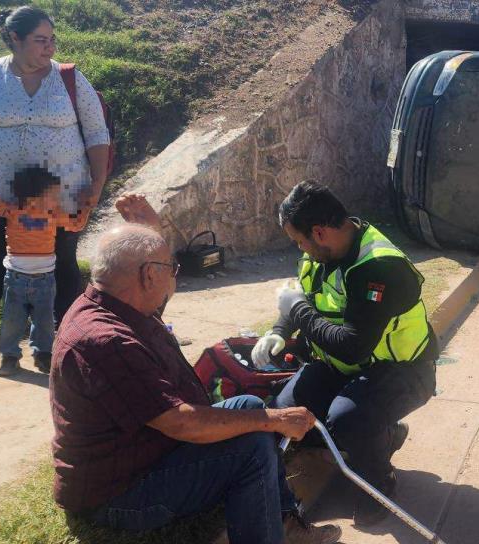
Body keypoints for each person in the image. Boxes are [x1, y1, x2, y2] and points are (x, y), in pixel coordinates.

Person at [48, 195, 340, 544]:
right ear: (147, 275)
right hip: (120, 495)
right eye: (171, 269)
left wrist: (153, 235)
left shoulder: (117, 303)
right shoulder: (106, 340)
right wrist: (274, 420)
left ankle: (284, 527)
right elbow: (181, 422)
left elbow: (155, 293)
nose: (174, 278)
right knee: (252, 447)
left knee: (247, 407)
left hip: (143, 454)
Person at [258, 181, 438, 526]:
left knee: (348, 421)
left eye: (300, 241)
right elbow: (305, 299)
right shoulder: (321, 256)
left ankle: (378, 481)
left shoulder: (379, 268)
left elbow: (353, 346)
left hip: (402, 370)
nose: (301, 250)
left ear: (320, 232)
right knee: (288, 413)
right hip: (344, 365)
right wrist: (279, 330)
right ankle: (381, 435)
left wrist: (297, 312)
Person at [0, 5, 110, 331]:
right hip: (0, 201)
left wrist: (95, 188)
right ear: (15, 38)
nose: (50, 47)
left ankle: (70, 345)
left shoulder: (69, 78)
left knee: (61, 268)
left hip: (63, 198)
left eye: (52, 39)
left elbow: (98, 134)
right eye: (41, 40)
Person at [0, 166, 88, 375]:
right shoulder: (11, 211)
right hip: (15, 278)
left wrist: (85, 205)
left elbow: (76, 224)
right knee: (12, 321)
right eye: (53, 195)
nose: (58, 199)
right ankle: (10, 357)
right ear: (34, 198)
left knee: (45, 321)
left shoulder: (55, 215)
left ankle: (43, 355)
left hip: (45, 279)